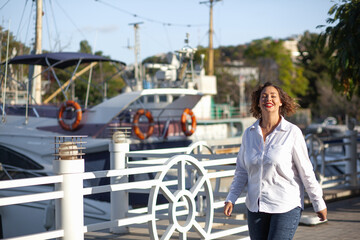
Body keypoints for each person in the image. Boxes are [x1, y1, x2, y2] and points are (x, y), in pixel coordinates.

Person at [224, 82, 327, 240]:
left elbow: (306, 171)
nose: (268, 99)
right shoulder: (249, 134)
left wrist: (318, 202)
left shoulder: (292, 133)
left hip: (286, 205)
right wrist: (231, 198)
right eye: (263, 96)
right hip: (255, 207)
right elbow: (242, 171)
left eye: (273, 96)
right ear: (258, 103)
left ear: (281, 102)